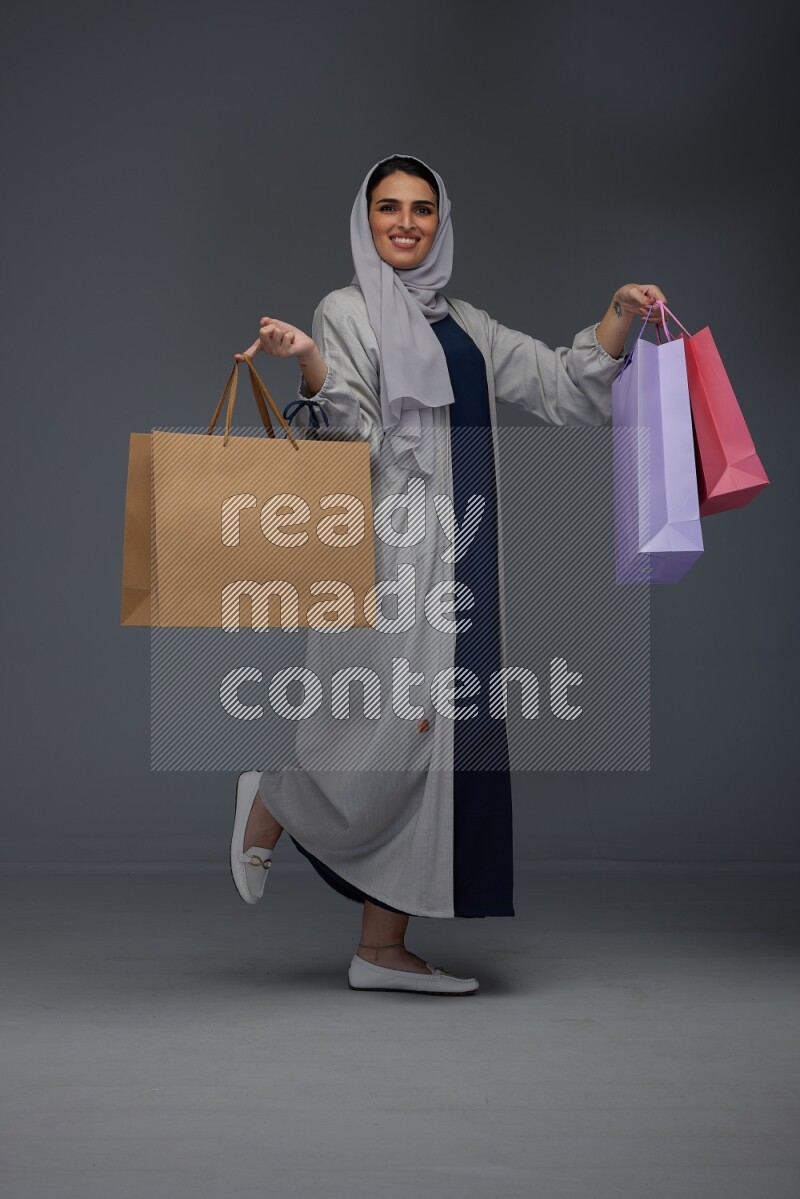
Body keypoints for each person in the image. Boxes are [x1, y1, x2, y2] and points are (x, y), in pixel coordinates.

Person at [228, 153, 666, 995]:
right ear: (366, 219)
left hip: (464, 549)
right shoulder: (347, 309)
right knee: (389, 733)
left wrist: (616, 316)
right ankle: (279, 797)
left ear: (441, 219)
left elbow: (562, 387)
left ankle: (381, 946)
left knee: (440, 744)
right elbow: (345, 436)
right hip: (387, 551)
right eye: (388, 207)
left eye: (421, 208)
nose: (405, 222)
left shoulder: (464, 323)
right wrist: (311, 361)